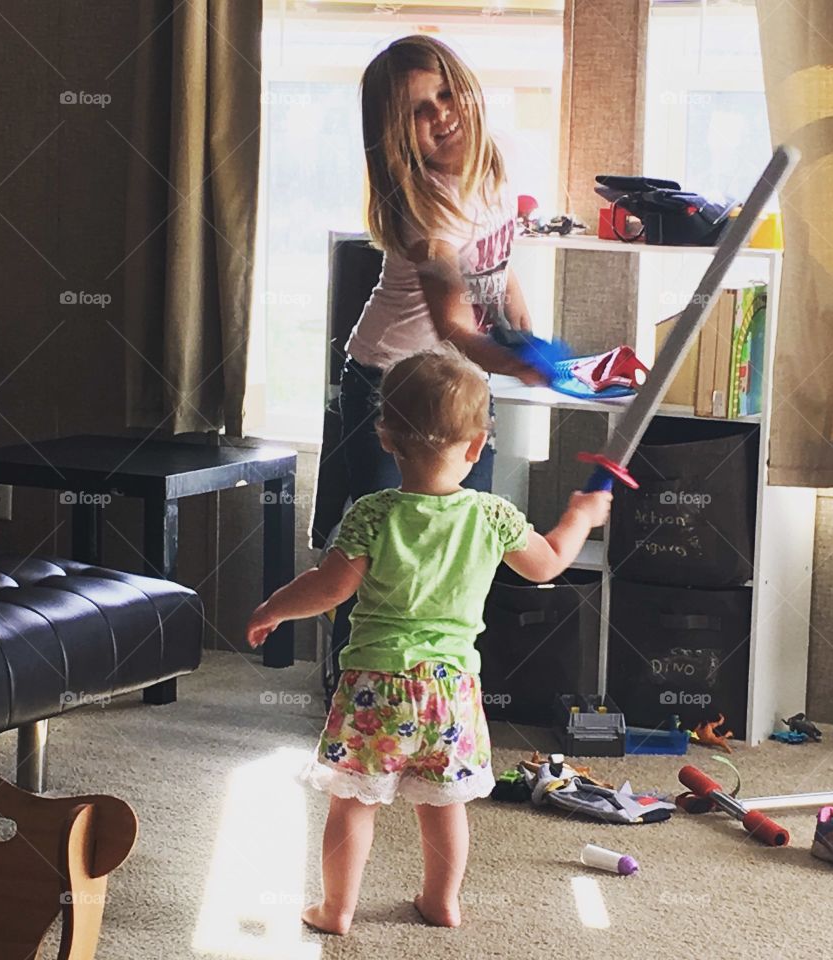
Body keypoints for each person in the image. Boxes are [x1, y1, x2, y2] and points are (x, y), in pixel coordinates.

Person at [246, 349, 611, 935]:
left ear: (386, 438)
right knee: (443, 805)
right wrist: (582, 517)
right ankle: (441, 901)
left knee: (353, 803)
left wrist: (273, 608)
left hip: (375, 687)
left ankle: (336, 910)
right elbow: (546, 564)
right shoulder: (493, 516)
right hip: (451, 690)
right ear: (476, 446)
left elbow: (328, 587)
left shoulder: (373, 514)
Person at [327, 33, 547, 690]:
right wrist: (516, 366)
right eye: (418, 110)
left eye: (445, 93)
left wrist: (527, 336)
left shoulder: (493, 171)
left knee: (462, 543)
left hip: (458, 385)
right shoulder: (428, 210)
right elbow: (453, 324)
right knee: (379, 551)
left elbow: (499, 270)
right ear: (398, 137)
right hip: (391, 386)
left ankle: (440, 685)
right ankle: (354, 691)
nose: (441, 114)